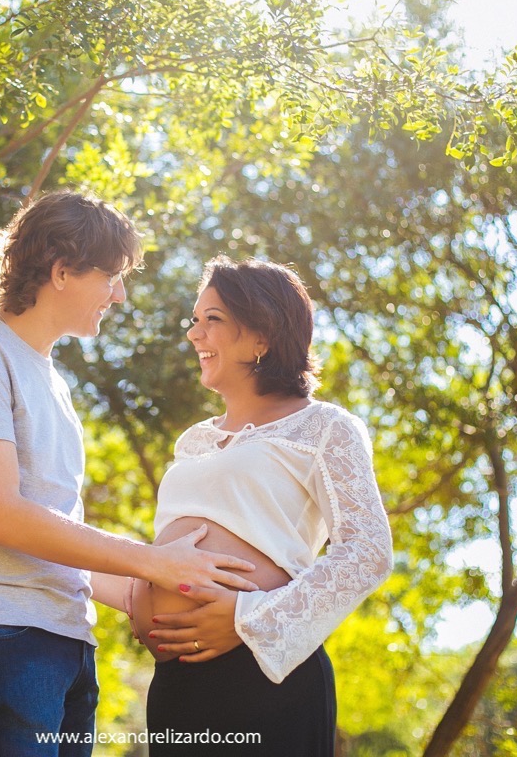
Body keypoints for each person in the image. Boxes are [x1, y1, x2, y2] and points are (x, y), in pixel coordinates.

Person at [0, 192, 260, 757]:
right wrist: (151, 559)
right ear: (63, 270)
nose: (120, 294)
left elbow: (54, 540)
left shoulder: (51, 380)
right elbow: (0, 517)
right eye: (112, 276)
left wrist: (159, 598)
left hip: (65, 644)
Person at [118, 255, 395, 755]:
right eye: (194, 320)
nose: (194, 335)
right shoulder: (193, 442)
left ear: (262, 334)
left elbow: (368, 550)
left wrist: (249, 619)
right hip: (178, 681)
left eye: (212, 320)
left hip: (265, 675)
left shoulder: (324, 427)